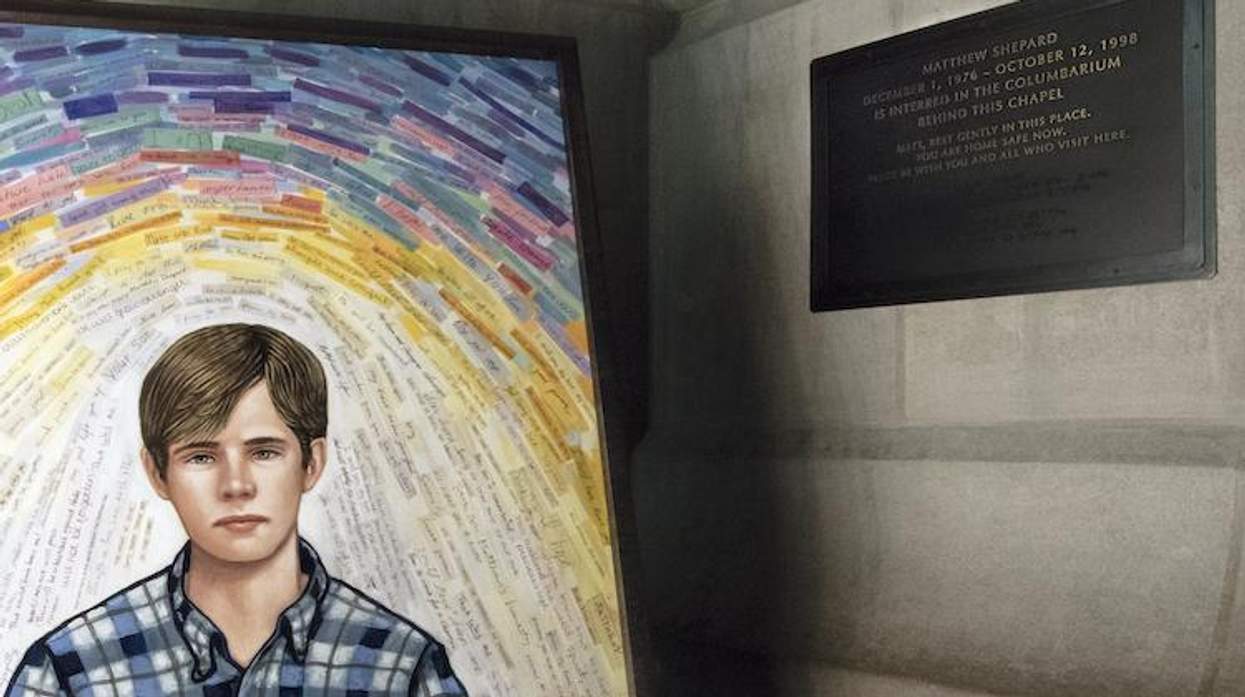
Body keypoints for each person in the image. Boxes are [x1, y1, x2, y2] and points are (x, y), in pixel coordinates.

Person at [5, 323, 467, 697]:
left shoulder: (402, 665)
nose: (236, 485)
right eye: (201, 457)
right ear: (157, 474)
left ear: (312, 463)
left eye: (264, 452)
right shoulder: (70, 669)